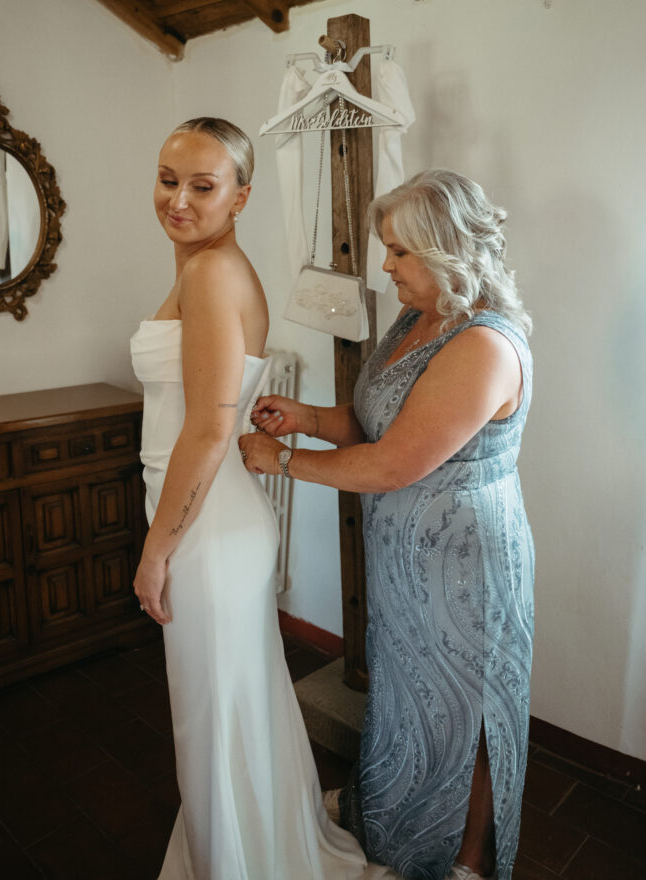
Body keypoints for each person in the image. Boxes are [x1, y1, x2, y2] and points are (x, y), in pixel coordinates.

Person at [241, 169, 535, 880]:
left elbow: (391, 464)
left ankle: (463, 861)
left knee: (468, 712)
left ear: (446, 251)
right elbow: (373, 422)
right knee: (405, 698)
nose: (387, 267)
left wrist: (281, 461)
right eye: (387, 249)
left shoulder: (482, 345)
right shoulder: (416, 319)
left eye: (400, 252)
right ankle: (393, 820)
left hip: (465, 566)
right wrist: (307, 419)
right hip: (406, 560)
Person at [130, 118, 397, 880]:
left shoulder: (214, 274)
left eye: (203, 187)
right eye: (167, 178)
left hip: (206, 527)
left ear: (241, 197)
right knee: (232, 710)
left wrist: (156, 552)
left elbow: (208, 435)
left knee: (215, 718)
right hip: (206, 517)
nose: (178, 199)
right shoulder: (201, 268)